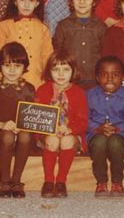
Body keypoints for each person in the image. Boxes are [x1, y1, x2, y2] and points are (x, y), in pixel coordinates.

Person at [0, 42, 36, 198]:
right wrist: (2, 124)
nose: (12, 70)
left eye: (17, 66)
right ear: (0, 66)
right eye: (7, 65)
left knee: (25, 135)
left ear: (24, 67)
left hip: (23, 138)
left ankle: (16, 181)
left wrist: (23, 125)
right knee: (7, 135)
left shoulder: (29, 88)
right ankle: (5, 181)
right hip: (0, 137)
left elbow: (33, 116)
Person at [35, 50, 88, 198]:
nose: (61, 74)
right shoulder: (43, 90)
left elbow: (83, 121)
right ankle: (48, 181)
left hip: (70, 134)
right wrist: (49, 130)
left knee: (66, 141)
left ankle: (61, 181)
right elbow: (36, 118)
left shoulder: (78, 93)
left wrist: (70, 129)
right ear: (49, 71)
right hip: (47, 134)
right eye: (56, 69)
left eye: (66, 69)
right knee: (52, 140)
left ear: (73, 71)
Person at [0, 0, 53, 89]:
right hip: (9, 83)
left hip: (35, 83)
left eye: (31, 0)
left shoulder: (43, 28)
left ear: (37, 3)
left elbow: (47, 58)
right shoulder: (4, 26)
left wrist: (46, 84)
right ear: (15, 1)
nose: (26, 4)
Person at [87, 56, 124, 198]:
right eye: (104, 75)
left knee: (115, 142)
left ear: (123, 77)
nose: (110, 79)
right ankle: (101, 182)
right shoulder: (89, 95)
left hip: (120, 134)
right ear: (97, 77)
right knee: (100, 142)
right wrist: (97, 127)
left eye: (115, 74)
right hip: (96, 133)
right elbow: (84, 118)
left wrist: (118, 129)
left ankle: (117, 182)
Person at [53, 0, 106, 90]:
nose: (82, 2)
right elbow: (57, 54)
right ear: (71, 1)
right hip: (70, 81)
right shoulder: (63, 26)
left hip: (94, 81)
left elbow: (105, 55)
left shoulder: (101, 27)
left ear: (94, 1)